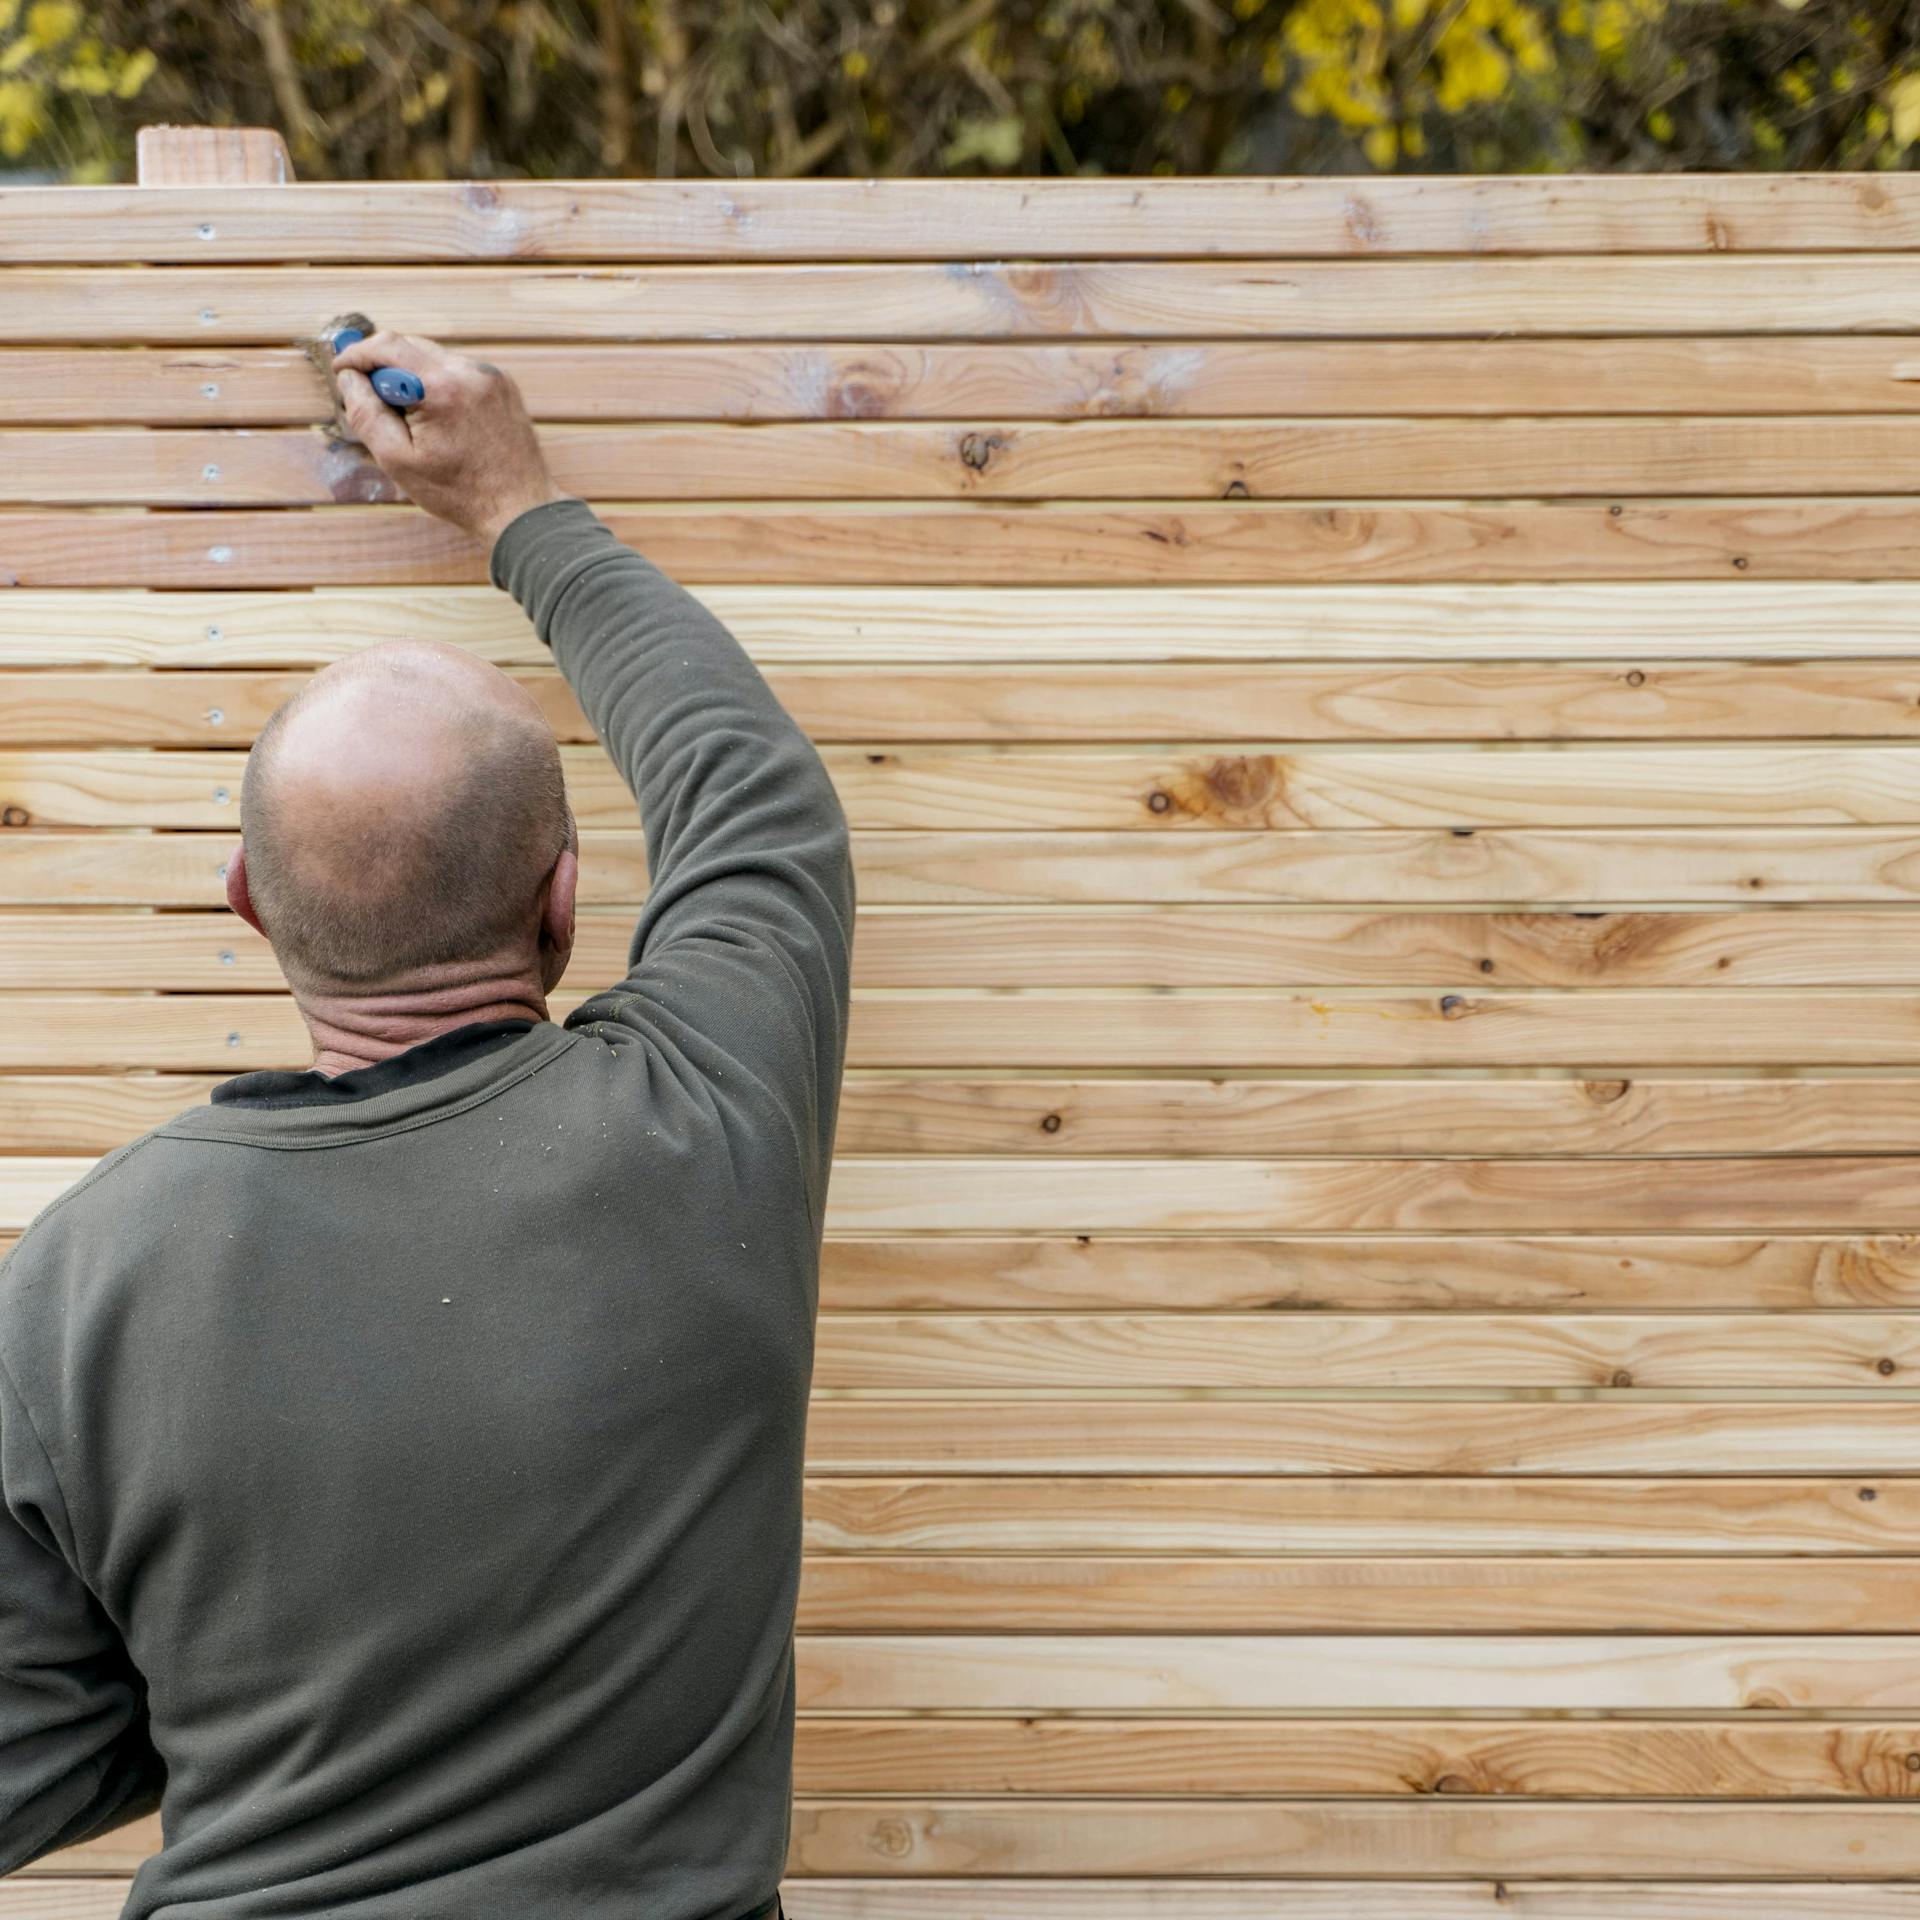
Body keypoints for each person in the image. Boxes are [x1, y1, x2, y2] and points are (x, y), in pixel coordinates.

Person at [0, 333, 855, 1920]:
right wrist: (519, 504)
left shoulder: (76, 1284)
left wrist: (261, 1650)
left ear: (249, 903)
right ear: (563, 899)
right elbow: (754, 801)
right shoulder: (706, 1121)